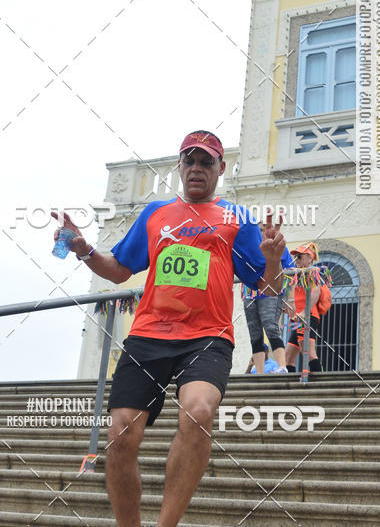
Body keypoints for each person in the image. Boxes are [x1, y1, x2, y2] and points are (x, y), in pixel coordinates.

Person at [53, 130, 287, 527]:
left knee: (198, 412)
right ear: (179, 166)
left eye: (206, 161)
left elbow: (268, 288)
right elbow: (119, 270)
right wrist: (84, 249)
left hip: (207, 337)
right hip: (149, 335)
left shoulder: (238, 219)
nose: (196, 168)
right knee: (121, 433)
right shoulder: (155, 214)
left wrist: (273, 260)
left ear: (220, 169)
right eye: (189, 160)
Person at [241, 230, 292, 374]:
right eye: (257, 229)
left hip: (271, 292)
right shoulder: (248, 246)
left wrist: (291, 299)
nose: (259, 232)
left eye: (263, 229)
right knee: (254, 333)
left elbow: (290, 270)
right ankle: (259, 371)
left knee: (271, 327)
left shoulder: (277, 245)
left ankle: (282, 366)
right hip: (250, 292)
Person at [284, 242, 323, 374]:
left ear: (310, 258)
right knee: (288, 357)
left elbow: (316, 292)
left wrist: (304, 312)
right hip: (299, 318)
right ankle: (291, 384)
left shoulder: (312, 272)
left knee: (309, 354)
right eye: (295, 257)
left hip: (307, 317)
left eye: (299, 256)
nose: (296, 260)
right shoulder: (297, 273)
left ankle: (320, 383)